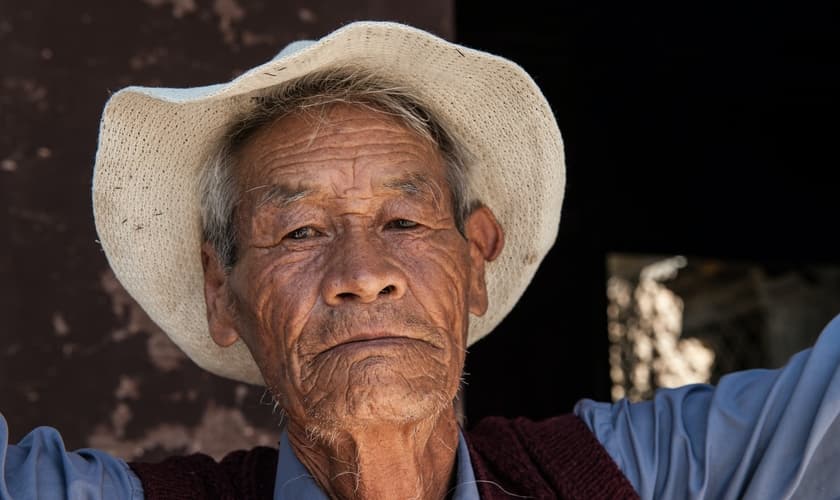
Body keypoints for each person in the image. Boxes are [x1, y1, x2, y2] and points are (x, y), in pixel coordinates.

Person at [2, 20, 839, 499]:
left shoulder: (633, 480)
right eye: (299, 234)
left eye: (404, 220)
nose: (364, 271)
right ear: (224, 293)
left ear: (476, 261)